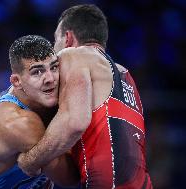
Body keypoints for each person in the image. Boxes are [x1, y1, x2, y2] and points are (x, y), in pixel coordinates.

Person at [17, 4, 153, 189]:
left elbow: (74, 122)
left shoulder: (74, 54)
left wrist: (30, 160)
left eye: (55, 40)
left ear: (68, 38)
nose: (54, 52)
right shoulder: (126, 76)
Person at [0, 35, 79, 189]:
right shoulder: (18, 122)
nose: (50, 78)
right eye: (37, 72)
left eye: (54, 67)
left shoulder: (37, 94)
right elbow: (69, 178)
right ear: (17, 81)